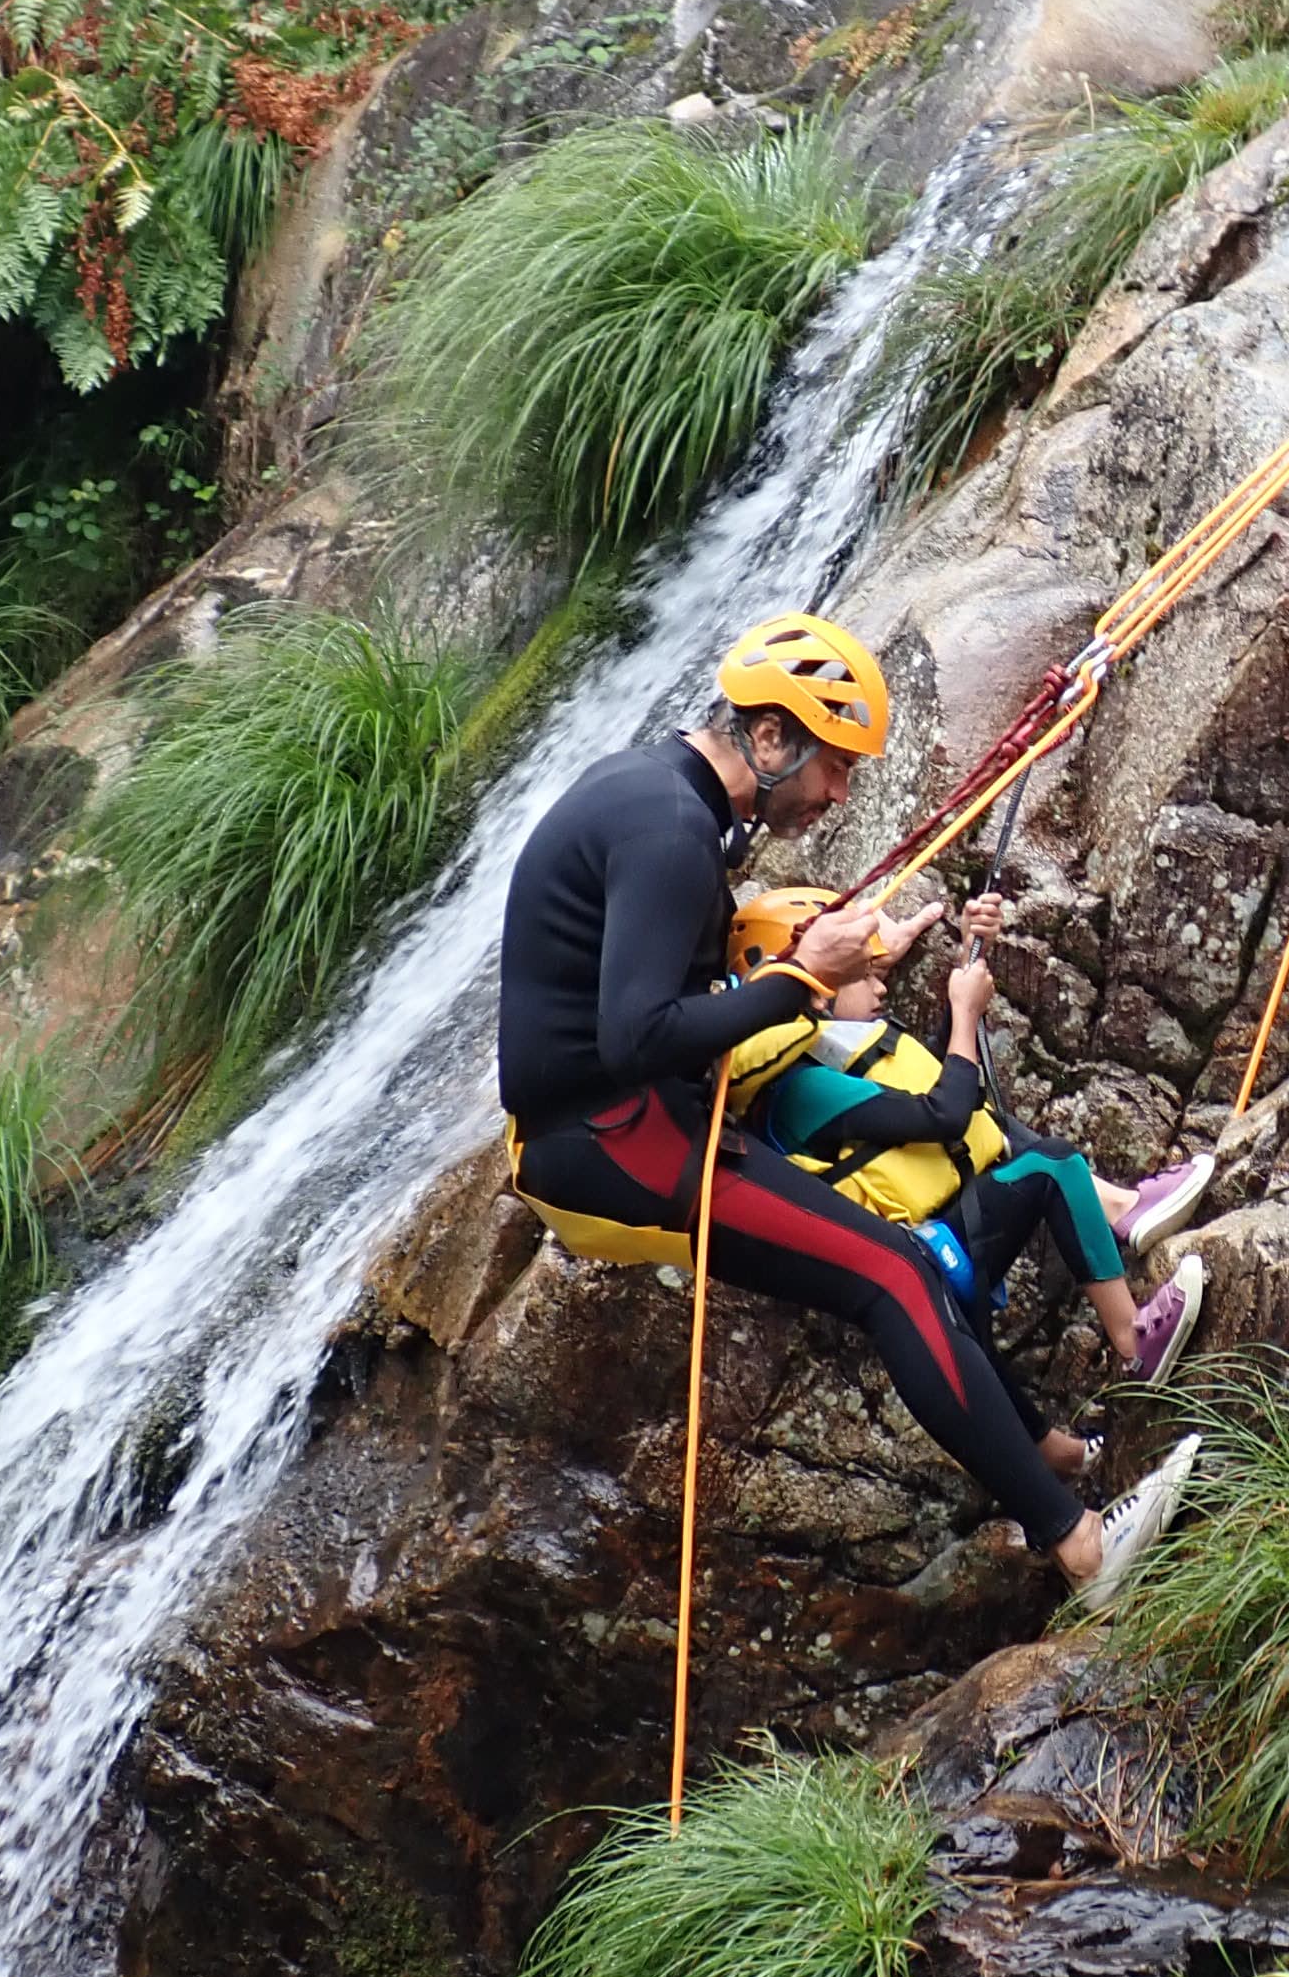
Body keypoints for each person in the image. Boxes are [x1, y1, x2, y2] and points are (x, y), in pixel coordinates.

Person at [496, 610, 1194, 1605]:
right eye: (833, 765)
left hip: (618, 1126)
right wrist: (796, 979)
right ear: (770, 736)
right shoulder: (669, 828)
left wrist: (820, 968)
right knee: (889, 1270)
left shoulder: (661, 797)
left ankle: (1057, 1477)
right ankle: (1080, 1545)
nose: (839, 791)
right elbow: (636, 1034)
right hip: (614, 1136)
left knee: (897, 1264)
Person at [723, 885, 1214, 1446]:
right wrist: (964, 1010)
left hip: (938, 1243)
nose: (881, 983)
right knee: (1049, 1166)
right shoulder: (802, 1091)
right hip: (925, 1255)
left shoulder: (830, 1063)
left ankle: (1069, 1460)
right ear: (816, 990)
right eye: (863, 973)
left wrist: (970, 954)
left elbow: (926, 1082)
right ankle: (1132, 1341)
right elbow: (946, 1111)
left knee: (980, 1358)